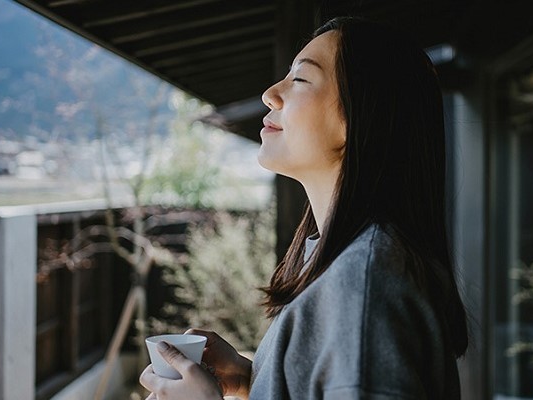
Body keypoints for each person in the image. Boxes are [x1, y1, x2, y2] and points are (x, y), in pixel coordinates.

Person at [139, 16, 469, 399]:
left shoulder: (362, 284)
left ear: (360, 113)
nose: (270, 93)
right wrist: (252, 378)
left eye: (299, 79)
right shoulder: (347, 262)